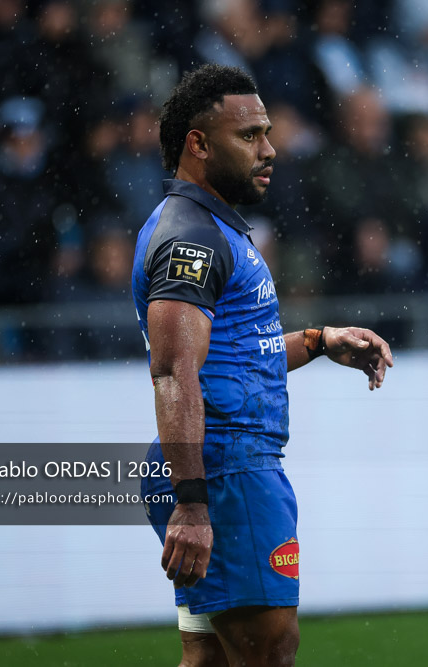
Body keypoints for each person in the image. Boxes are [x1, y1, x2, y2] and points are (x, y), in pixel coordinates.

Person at [131, 64, 393, 667]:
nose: (269, 149)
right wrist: (193, 506)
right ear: (197, 144)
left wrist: (321, 340)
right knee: (269, 656)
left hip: (216, 469)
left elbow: (239, 355)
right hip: (225, 473)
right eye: (248, 135)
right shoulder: (191, 240)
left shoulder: (212, 229)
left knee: (211, 661)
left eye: (267, 132)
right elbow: (173, 374)